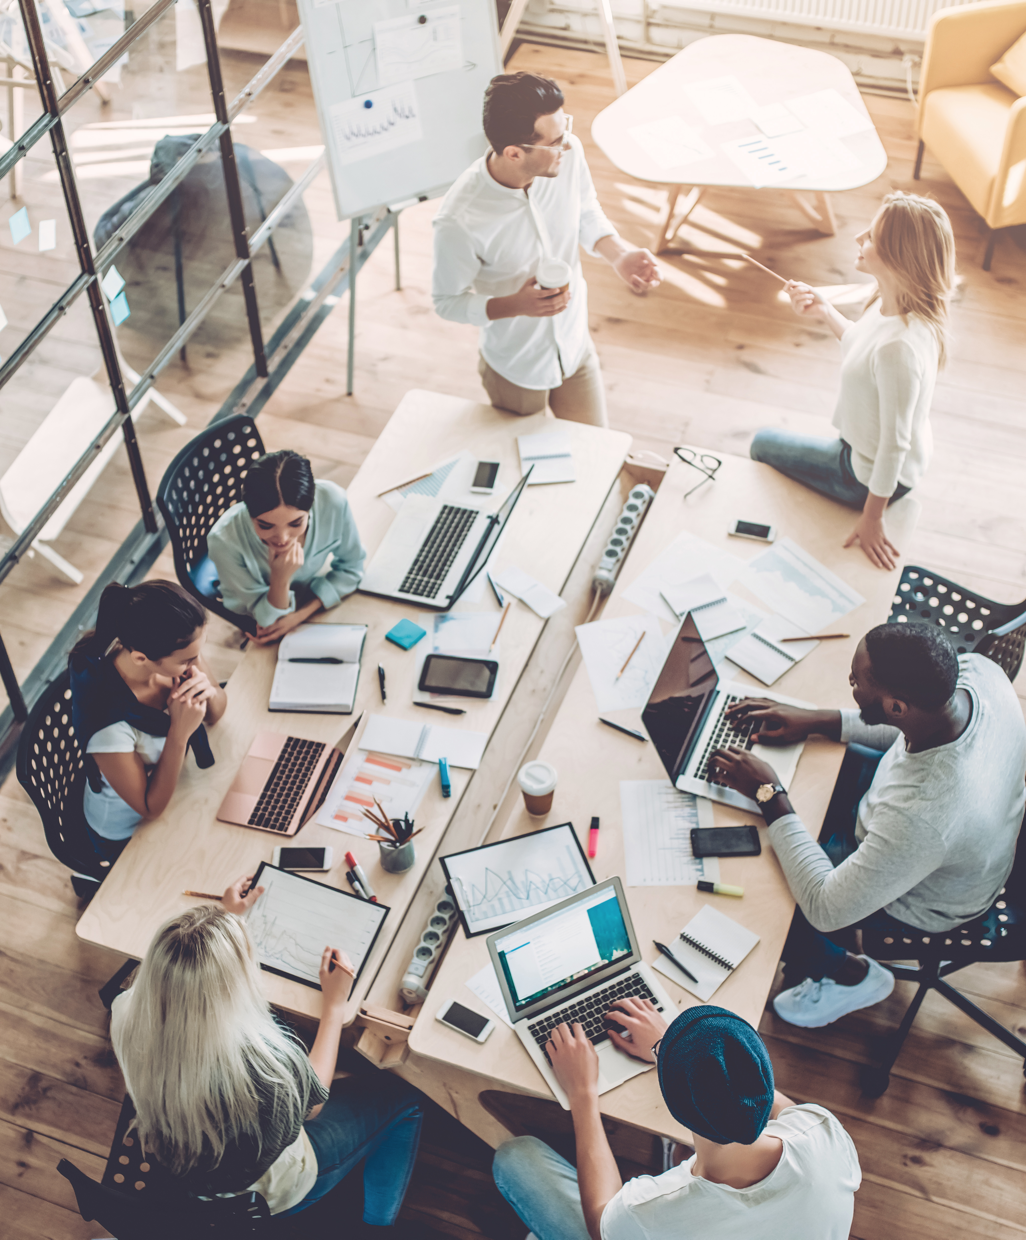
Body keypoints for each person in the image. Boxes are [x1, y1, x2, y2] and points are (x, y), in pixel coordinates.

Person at [710, 622, 1026, 1028]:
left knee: (765, 898)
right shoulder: (979, 673)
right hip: (929, 825)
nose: (850, 683)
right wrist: (816, 720)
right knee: (807, 793)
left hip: (927, 897)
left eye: (857, 682)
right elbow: (907, 730)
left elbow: (826, 909)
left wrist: (768, 792)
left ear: (895, 707)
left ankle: (852, 974)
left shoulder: (926, 813)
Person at [109, 876, 424, 1219]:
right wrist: (335, 1007)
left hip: (185, 1169)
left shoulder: (125, 1011)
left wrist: (221, 922)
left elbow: (183, 982)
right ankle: (378, 1224)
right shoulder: (265, 1066)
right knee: (407, 1100)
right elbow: (314, 1103)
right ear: (235, 984)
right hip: (272, 1194)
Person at [492, 1003, 860, 1240]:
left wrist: (583, 1094)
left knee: (515, 1157)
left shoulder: (656, 1211)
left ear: (674, 1105)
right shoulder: (822, 1131)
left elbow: (601, 1222)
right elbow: (767, 1098)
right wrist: (669, 1049)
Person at [432, 71, 660, 428]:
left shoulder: (567, 154)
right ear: (513, 153)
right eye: (554, 141)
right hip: (515, 366)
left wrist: (619, 254)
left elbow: (585, 209)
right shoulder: (458, 219)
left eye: (564, 129)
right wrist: (514, 306)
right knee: (528, 468)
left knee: (595, 450)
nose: (566, 145)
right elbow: (447, 301)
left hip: (575, 346)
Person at [749, 191, 956, 570]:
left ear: (898, 257)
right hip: (881, 452)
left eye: (872, 235)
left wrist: (872, 517)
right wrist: (825, 310)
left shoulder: (900, 349)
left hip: (865, 473)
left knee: (761, 444)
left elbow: (894, 446)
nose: (859, 237)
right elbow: (864, 349)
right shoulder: (896, 304)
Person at [70, 581, 227, 862]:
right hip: (128, 831)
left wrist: (209, 691)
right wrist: (179, 732)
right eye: (189, 661)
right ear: (141, 658)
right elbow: (149, 807)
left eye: (197, 655)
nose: (196, 664)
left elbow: (216, 712)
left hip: (176, 784)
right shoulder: (109, 724)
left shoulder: (176, 652)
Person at [208, 449, 365, 646]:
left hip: (304, 600)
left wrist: (299, 615)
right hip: (257, 607)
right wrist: (280, 578)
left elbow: (353, 567)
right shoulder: (223, 541)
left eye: (296, 523)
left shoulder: (333, 501)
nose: (282, 539)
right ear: (249, 512)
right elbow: (269, 622)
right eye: (265, 526)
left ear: (311, 507)